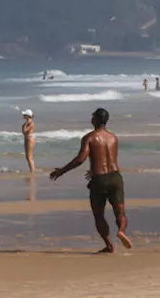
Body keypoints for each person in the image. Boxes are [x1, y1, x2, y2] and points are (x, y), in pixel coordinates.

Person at [50, 107, 132, 253]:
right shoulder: (113, 137)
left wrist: (62, 171)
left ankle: (109, 245)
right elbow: (109, 158)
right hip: (115, 177)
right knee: (120, 211)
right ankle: (121, 231)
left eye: (92, 116)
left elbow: (81, 159)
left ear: (96, 119)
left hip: (99, 180)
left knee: (99, 214)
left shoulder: (89, 137)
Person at [21, 109, 36, 174]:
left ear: (27, 116)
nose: (23, 115)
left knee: (29, 157)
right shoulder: (27, 123)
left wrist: (25, 125)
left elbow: (24, 131)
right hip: (28, 139)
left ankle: (32, 171)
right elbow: (23, 132)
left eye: (24, 114)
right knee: (29, 156)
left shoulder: (30, 123)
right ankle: (32, 170)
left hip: (29, 139)